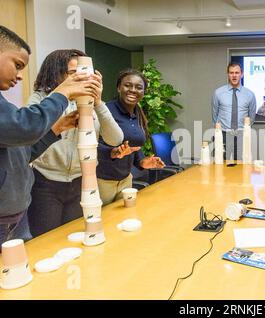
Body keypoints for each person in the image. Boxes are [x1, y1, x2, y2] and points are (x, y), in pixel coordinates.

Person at [0, 25, 100, 246]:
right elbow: (25, 127)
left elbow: (24, 151)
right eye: (17, 65)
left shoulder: (4, 104)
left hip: (15, 214)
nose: (19, 76)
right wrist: (62, 92)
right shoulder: (45, 99)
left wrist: (57, 128)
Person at [26, 49, 124, 237]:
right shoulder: (41, 100)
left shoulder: (90, 103)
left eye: (84, 73)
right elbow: (31, 135)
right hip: (46, 183)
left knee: (76, 235)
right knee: (47, 239)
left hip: (81, 182)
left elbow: (115, 139)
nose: (81, 78)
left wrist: (98, 102)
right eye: (73, 73)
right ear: (56, 73)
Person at [96, 69, 165, 205]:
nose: (133, 90)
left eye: (139, 87)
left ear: (143, 92)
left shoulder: (137, 114)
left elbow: (133, 146)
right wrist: (112, 152)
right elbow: (92, 143)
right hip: (102, 181)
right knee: (103, 222)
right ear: (118, 88)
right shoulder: (105, 111)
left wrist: (142, 162)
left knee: (123, 220)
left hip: (125, 180)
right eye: (128, 85)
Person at [211, 62, 257, 160]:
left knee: (241, 166)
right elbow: (214, 115)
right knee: (220, 165)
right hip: (223, 134)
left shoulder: (250, 94)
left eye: (237, 72)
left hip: (242, 136)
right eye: (231, 73)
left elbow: (251, 118)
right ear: (228, 74)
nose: (234, 75)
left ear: (242, 74)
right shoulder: (218, 93)